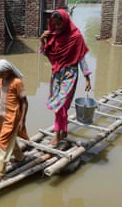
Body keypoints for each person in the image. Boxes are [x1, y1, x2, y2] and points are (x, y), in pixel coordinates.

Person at [39, 9, 92, 147]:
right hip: (56, 74)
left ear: (66, 21)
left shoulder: (76, 36)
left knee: (60, 104)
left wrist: (87, 77)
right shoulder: (54, 35)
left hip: (70, 74)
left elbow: (81, 58)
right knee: (61, 105)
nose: (57, 28)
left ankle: (56, 135)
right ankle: (64, 131)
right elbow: (46, 54)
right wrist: (42, 40)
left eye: (59, 25)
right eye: (54, 24)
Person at [0, 59, 29, 184]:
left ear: (9, 71)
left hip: (13, 117)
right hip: (2, 116)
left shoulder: (17, 83)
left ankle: (0, 173)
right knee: (9, 139)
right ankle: (20, 157)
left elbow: (25, 102)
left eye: (2, 73)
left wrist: (22, 120)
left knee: (2, 143)